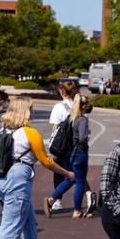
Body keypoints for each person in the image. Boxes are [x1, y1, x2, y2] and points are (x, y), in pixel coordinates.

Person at [0, 97, 74, 239]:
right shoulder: (29, 133)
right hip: (18, 179)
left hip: (0, 178)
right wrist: (67, 173)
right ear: (25, 111)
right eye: (31, 108)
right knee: (11, 224)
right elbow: (46, 161)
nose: (33, 112)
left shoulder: (2, 130)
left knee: (28, 221)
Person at [47, 94, 94, 218]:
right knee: (80, 182)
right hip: (80, 153)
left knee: (71, 178)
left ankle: (51, 199)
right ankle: (77, 210)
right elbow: (83, 138)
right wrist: (87, 135)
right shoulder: (82, 119)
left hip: (70, 153)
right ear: (83, 106)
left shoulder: (71, 118)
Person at [48, 82, 78, 212]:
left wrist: (52, 147)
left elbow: (54, 128)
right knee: (77, 172)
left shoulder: (58, 107)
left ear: (62, 91)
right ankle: (88, 197)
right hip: (75, 144)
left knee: (60, 172)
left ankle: (57, 199)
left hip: (62, 145)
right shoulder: (77, 106)